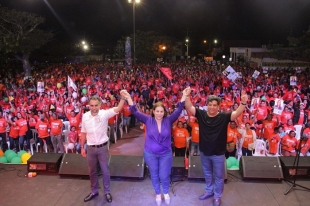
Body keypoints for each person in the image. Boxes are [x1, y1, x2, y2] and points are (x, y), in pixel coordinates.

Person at [183, 87, 248, 206]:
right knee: (207, 174)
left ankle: (217, 196)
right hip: (204, 152)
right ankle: (209, 191)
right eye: (210, 104)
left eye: (215, 105)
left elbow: (237, 113)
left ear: (218, 106)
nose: (212, 107)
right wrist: (186, 95)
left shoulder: (223, 117)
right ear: (207, 104)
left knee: (219, 176)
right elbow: (189, 107)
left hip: (218, 153)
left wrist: (243, 102)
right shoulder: (201, 114)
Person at [122, 89, 187, 206]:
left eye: (161, 111)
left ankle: (166, 192)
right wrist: (128, 97)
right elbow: (135, 111)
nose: (159, 113)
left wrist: (184, 96)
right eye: (157, 111)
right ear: (153, 111)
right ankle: (158, 193)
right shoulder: (148, 119)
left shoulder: (169, 120)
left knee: (164, 174)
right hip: (150, 154)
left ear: (164, 112)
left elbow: (178, 110)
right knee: (154, 174)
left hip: (165, 154)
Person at [80, 92, 126, 204]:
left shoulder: (104, 114)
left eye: (96, 105)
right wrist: (82, 147)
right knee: (92, 171)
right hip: (90, 148)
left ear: (100, 105)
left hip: (102, 148)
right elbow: (83, 133)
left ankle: (107, 192)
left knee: (105, 171)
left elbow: (118, 109)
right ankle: (94, 191)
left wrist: (123, 99)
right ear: (89, 105)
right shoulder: (85, 116)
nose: (94, 108)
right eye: (92, 105)